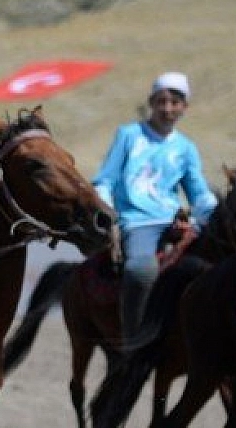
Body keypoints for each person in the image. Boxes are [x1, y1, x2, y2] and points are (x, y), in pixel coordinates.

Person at [91, 71, 218, 353]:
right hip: (138, 221)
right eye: (161, 101)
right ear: (151, 102)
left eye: (175, 102)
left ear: (185, 107)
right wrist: (107, 213)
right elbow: (105, 179)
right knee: (140, 269)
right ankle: (133, 342)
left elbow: (198, 193)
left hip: (175, 220)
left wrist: (211, 214)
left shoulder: (186, 148)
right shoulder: (129, 136)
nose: (167, 109)